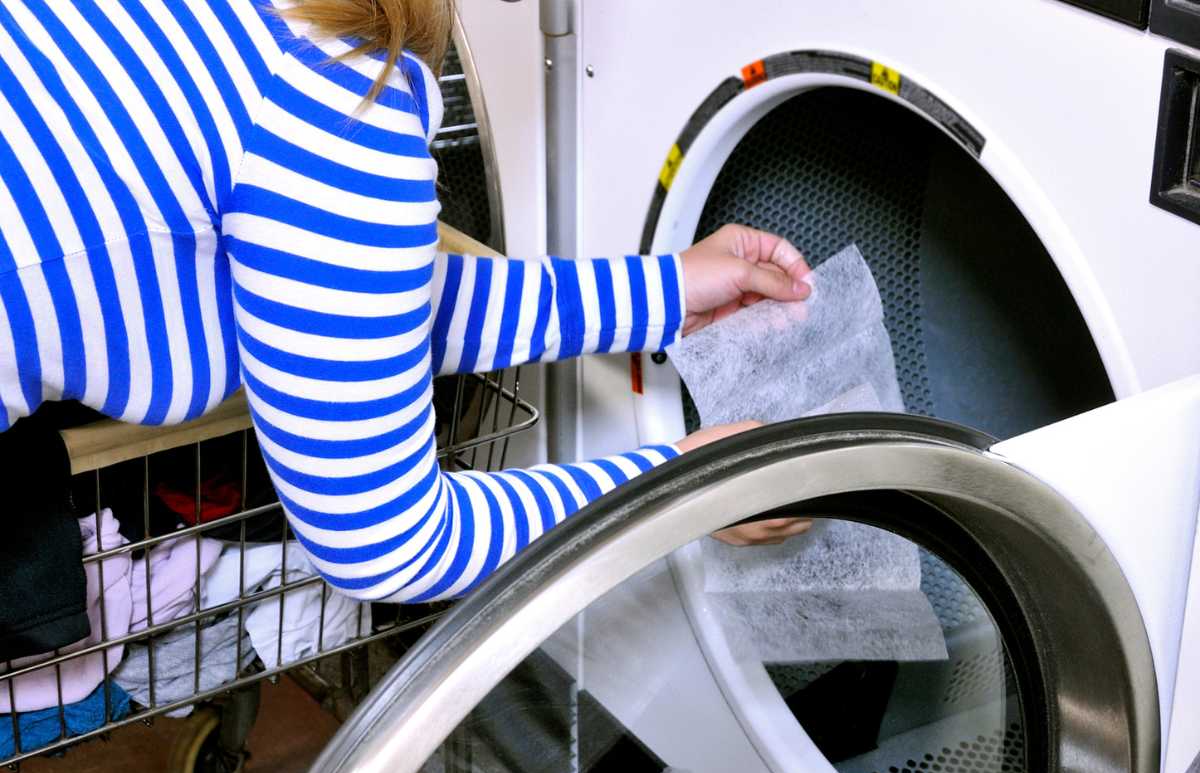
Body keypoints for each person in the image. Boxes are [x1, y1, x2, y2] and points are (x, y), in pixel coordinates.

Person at [0, 0, 812, 603]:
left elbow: (352, 311)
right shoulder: (333, 86)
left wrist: (658, 294)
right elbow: (387, 544)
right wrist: (687, 485)